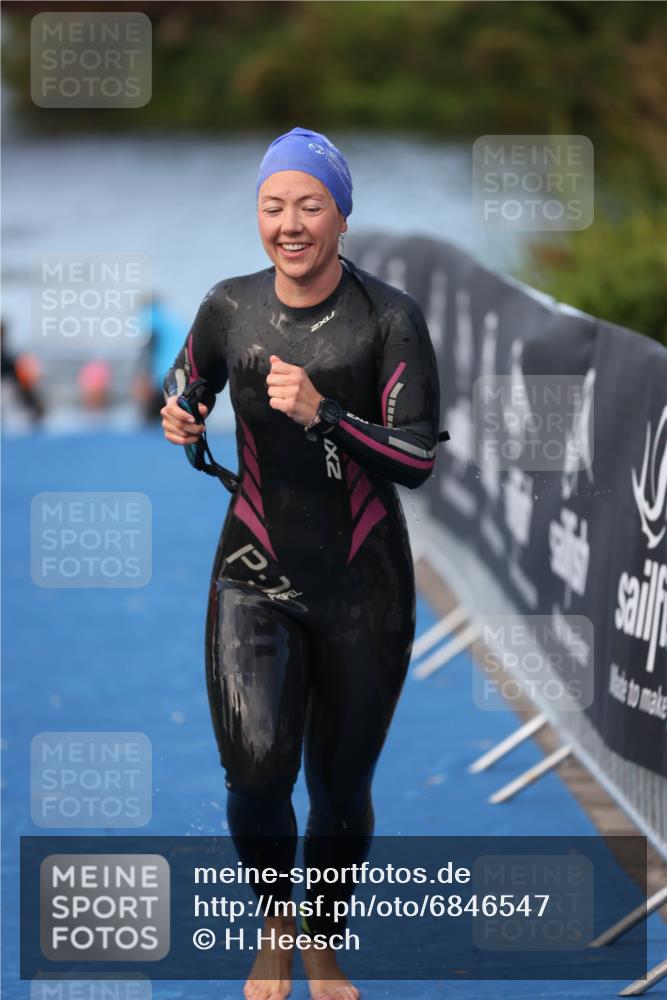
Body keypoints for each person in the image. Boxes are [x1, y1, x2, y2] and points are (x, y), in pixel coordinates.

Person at [161, 127, 443, 1000]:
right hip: (253, 568)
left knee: (338, 787)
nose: (289, 223)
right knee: (253, 774)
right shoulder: (226, 307)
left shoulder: (388, 319)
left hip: (365, 584)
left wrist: (324, 412)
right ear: (258, 214)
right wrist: (178, 414)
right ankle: (274, 933)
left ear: (341, 216)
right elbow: (185, 382)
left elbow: (416, 459)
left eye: (308, 205)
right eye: (273, 205)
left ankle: (323, 938)